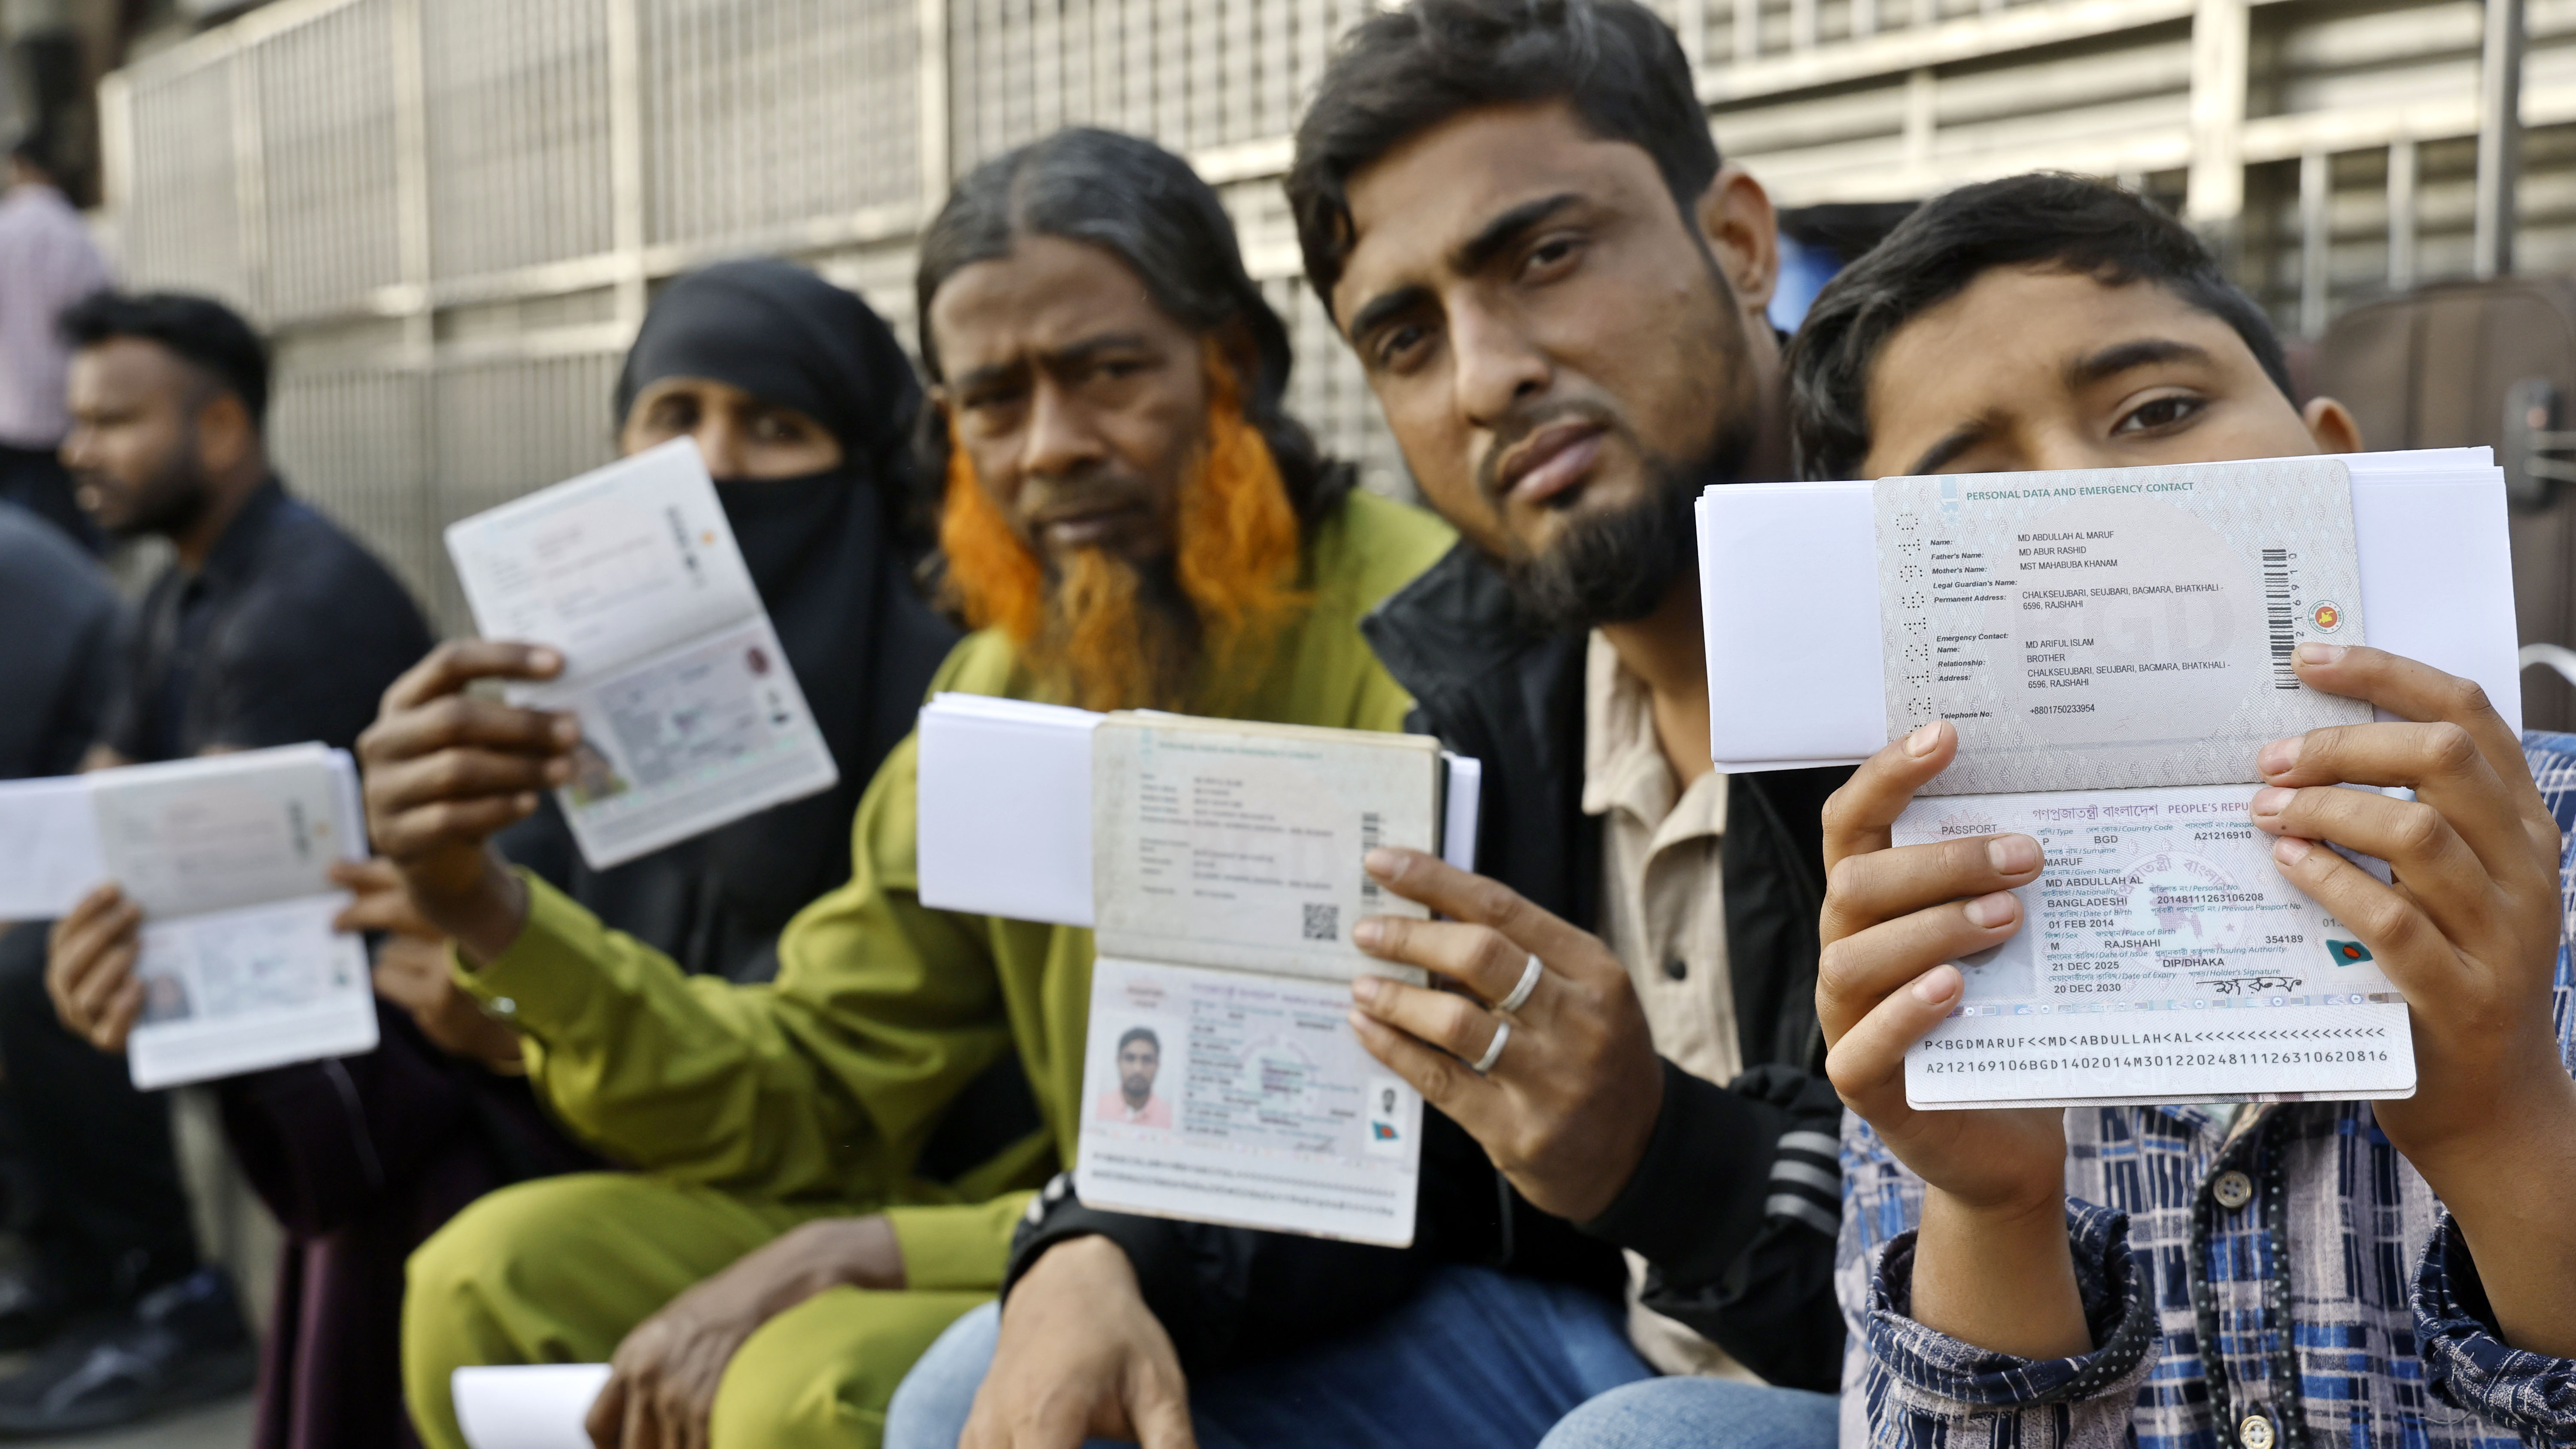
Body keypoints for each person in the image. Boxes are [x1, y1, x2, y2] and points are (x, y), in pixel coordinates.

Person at [383, 129, 1469, 1449]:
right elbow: (814, 1084)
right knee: (486, 1279)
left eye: (1108, 373)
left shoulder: (1417, 634)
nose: (1050, 447)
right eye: (994, 402)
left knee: (809, 1385)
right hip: (1066, 1229)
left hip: (1310, 1271)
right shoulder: (1003, 674)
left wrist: (871, 1249)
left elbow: (1353, 1160)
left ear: (1231, 363)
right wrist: (485, 908)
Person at [46, 261, 963, 1449]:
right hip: (608, 1171)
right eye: (674, 418)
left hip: (875, 1200)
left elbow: (851, 1086)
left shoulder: (948, 715)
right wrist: (184, 977)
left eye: (777, 429)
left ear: (873, 460)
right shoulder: (555, 711)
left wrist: (532, 1028)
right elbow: (435, 981)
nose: (714, 465)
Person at [1795, 173, 2576, 1449]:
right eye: (1971, 484)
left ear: (2335, 461)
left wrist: (2506, 1124)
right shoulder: (1925, 953)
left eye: (2156, 411)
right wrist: (1991, 1213)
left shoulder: (2556, 846)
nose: (2083, 499)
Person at [0, 291, 436, 1437]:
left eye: (114, 421)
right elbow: (102, 788)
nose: (77, 449)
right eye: (76, 421)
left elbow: (207, 866)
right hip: (254, 935)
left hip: (369, 996)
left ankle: (168, 1295)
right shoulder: (180, 585)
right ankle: (80, 1272)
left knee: (45, 974)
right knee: (29, 945)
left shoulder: (302, 600)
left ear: (223, 427)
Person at [0, 132, 111, 552]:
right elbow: (102, 322)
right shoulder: (77, 237)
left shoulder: (4, 231)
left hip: (7, 417)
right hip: (65, 418)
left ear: (18, 167)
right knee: (67, 548)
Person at [1094, 1027, 1171, 1127]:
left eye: (1147, 1060)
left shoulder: (1170, 1118)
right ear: (1118, 1061)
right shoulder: (1096, 1109)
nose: (1138, 1069)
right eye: (1130, 1058)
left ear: (1157, 1065)